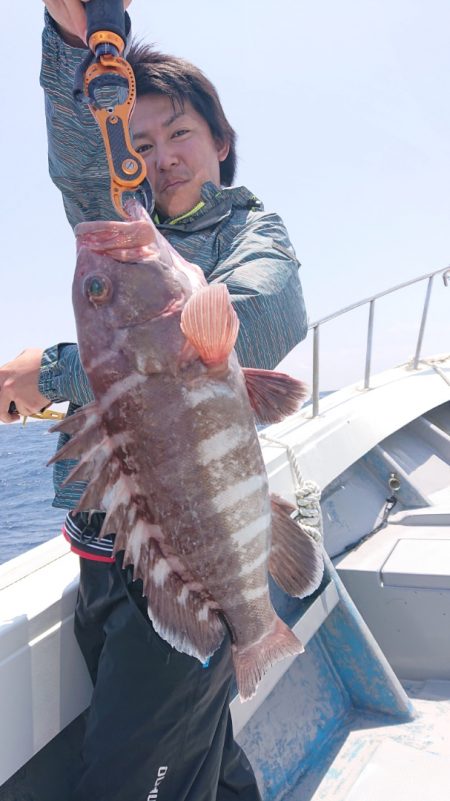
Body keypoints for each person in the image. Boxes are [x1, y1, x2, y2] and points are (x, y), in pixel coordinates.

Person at [0, 2, 310, 799]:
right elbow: (81, 159)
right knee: (201, 751)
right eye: (138, 145)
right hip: (106, 563)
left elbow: (268, 315)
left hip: (185, 577)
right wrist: (72, 46)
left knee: (132, 779)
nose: (162, 157)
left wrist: (54, 373)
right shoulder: (126, 233)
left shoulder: (252, 236)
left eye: (179, 134)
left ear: (221, 142)